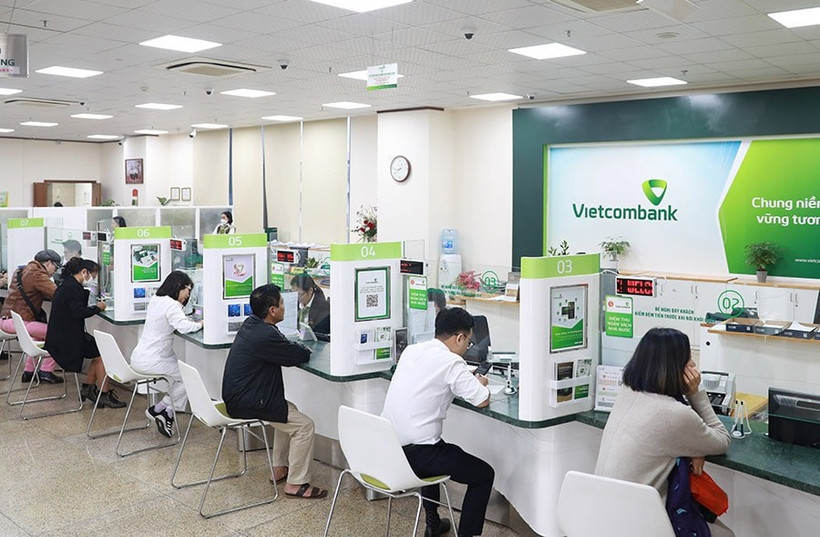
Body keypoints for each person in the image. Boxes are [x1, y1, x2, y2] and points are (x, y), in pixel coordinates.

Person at [595, 327, 733, 537]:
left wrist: (694, 447)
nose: (694, 365)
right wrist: (697, 393)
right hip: (639, 524)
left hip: (601, 516)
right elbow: (722, 439)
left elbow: (670, 435)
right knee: (726, 535)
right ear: (673, 368)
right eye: (688, 360)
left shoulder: (628, 392)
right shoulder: (673, 413)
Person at [381, 307, 493, 537]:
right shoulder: (452, 363)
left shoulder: (412, 350)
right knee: (483, 474)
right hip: (418, 456)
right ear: (459, 337)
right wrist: (480, 382)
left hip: (389, 449)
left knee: (434, 444)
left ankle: (432, 521)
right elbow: (482, 400)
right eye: (468, 342)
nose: (467, 348)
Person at [222, 284, 328, 499]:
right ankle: (297, 483)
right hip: (247, 401)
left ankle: (279, 466)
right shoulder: (264, 335)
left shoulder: (252, 325)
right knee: (305, 427)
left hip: (241, 396)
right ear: (272, 311)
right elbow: (297, 355)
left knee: (289, 409)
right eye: (281, 303)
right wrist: (301, 349)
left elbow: (283, 348)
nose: (284, 307)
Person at [44, 258, 125, 408]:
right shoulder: (73, 289)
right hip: (66, 340)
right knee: (101, 355)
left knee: (97, 350)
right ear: (84, 272)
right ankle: (104, 394)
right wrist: (98, 308)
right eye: (92, 276)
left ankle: (88, 388)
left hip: (61, 335)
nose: (93, 279)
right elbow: (78, 312)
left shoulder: (67, 285)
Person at [130, 271, 203, 437]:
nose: (188, 295)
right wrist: (201, 323)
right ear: (179, 287)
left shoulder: (156, 300)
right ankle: (163, 410)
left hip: (140, 357)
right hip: (152, 360)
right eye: (188, 290)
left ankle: (162, 410)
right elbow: (184, 327)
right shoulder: (171, 305)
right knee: (189, 378)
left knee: (182, 376)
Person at [0, 249, 64, 384]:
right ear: (48, 263)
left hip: (7, 320)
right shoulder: (38, 274)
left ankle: (29, 372)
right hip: (20, 322)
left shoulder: (21, 270)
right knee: (57, 333)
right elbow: (57, 293)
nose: (54, 271)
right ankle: (46, 371)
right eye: (55, 267)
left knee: (39, 334)